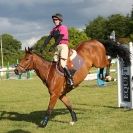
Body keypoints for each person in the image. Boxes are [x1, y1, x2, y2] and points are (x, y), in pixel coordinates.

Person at [40, 13, 74, 87]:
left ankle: (70, 79)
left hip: (63, 46)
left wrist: (53, 46)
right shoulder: (53, 29)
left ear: (60, 20)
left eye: (56, 19)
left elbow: (60, 38)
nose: (55, 21)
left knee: (62, 63)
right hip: (58, 47)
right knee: (54, 63)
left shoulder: (63, 27)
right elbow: (48, 38)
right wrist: (43, 46)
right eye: (54, 20)